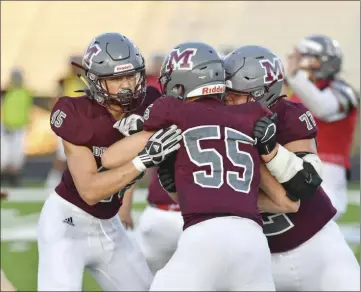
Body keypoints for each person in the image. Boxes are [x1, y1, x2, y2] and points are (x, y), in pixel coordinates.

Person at [101, 41, 303, 290]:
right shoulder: (252, 115)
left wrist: (143, 149)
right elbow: (287, 203)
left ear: (179, 81)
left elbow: (110, 158)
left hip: (204, 235)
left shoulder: (174, 112)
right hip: (253, 242)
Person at [36, 32, 182, 291]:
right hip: (67, 223)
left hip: (109, 225)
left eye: (130, 76)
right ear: (94, 81)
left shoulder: (150, 102)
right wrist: (145, 159)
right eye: (115, 78)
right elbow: (90, 191)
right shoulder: (76, 113)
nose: (126, 85)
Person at [223, 45, 360, 291]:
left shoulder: (289, 117)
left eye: (235, 94)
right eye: (226, 94)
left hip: (317, 246)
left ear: (262, 93)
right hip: (260, 255)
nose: (227, 101)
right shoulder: (220, 122)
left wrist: (270, 151)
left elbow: (305, 185)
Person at [286, 35, 359, 219]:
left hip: (327, 172)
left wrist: (295, 77)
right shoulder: (299, 91)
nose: (300, 63)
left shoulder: (344, 91)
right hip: (294, 167)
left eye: (305, 57)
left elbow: (322, 107)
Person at [45, 55, 85, 189]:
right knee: (62, 155)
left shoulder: (86, 81)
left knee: (81, 155)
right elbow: (55, 100)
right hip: (67, 122)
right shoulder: (64, 81)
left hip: (82, 124)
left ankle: (78, 183)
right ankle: (52, 182)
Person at [1, 68, 33, 186]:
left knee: (17, 156)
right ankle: (6, 177)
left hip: (20, 129)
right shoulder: (7, 92)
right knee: (4, 156)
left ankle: (14, 179)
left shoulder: (26, 92)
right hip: (7, 128)